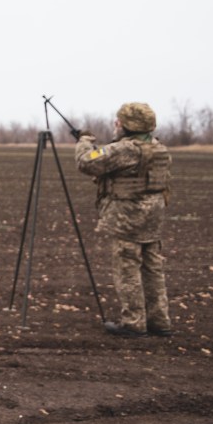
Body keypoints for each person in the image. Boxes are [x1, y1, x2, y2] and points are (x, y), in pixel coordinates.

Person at [74, 102, 173, 338]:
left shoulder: (125, 149)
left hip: (128, 219)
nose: (115, 125)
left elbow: (87, 162)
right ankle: (160, 321)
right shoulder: (159, 148)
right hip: (153, 218)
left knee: (127, 270)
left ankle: (133, 322)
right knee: (153, 269)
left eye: (119, 122)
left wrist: (84, 141)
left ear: (128, 126)